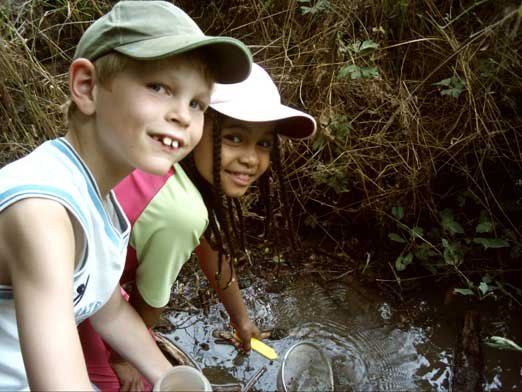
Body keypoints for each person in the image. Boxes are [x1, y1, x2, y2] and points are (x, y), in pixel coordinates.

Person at [0, 1, 252, 390]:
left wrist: (169, 377)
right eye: (159, 87)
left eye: (197, 103)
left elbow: (107, 307)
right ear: (87, 87)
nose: (183, 115)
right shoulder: (44, 214)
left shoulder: (101, 199)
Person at [78, 63, 317, 391]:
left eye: (263, 143)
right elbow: (151, 301)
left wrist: (241, 320)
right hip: (76, 295)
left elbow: (212, 253)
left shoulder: (178, 172)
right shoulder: (182, 210)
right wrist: (122, 359)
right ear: (197, 124)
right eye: (234, 138)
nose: (251, 158)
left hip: (95, 281)